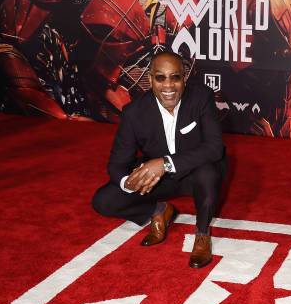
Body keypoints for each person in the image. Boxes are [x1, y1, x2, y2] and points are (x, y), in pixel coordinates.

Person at [92, 51, 225, 268]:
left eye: (175, 77)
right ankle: (159, 211)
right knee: (103, 201)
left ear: (184, 77)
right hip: (159, 180)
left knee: (208, 173)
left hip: (195, 173)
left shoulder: (201, 97)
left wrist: (165, 163)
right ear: (150, 79)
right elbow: (117, 165)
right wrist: (130, 182)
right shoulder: (134, 112)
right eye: (160, 78)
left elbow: (214, 148)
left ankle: (202, 234)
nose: (168, 86)